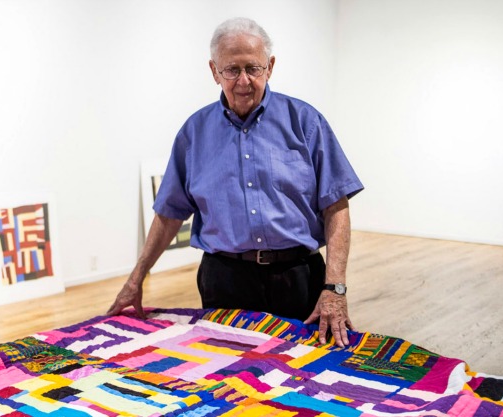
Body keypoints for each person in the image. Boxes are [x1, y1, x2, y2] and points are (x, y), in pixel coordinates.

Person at [107, 17, 363, 347]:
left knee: (308, 380)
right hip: (224, 281)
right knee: (227, 383)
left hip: (299, 278)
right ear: (214, 71)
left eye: (253, 68)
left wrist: (335, 287)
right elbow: (170, 214)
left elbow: (336, 207)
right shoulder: (194, 133)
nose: (243, 81)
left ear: (270, 67)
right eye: (232, 70)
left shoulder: (306, 123)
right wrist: (136, 277)